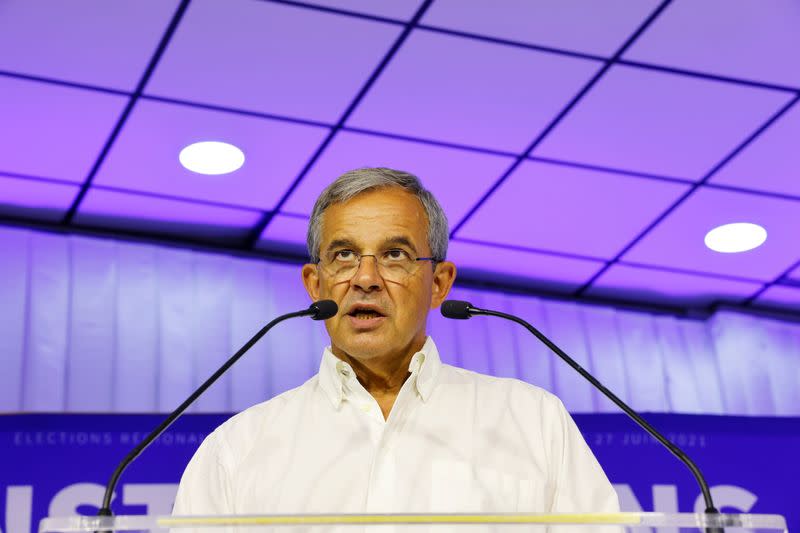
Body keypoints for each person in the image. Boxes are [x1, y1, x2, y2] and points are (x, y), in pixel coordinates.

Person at [172, 168, 619, 515]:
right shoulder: (236, 449)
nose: (365, 279)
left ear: (439, 283)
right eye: (344, 255)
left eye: (395, 255)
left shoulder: (533, 422)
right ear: (315, 284)